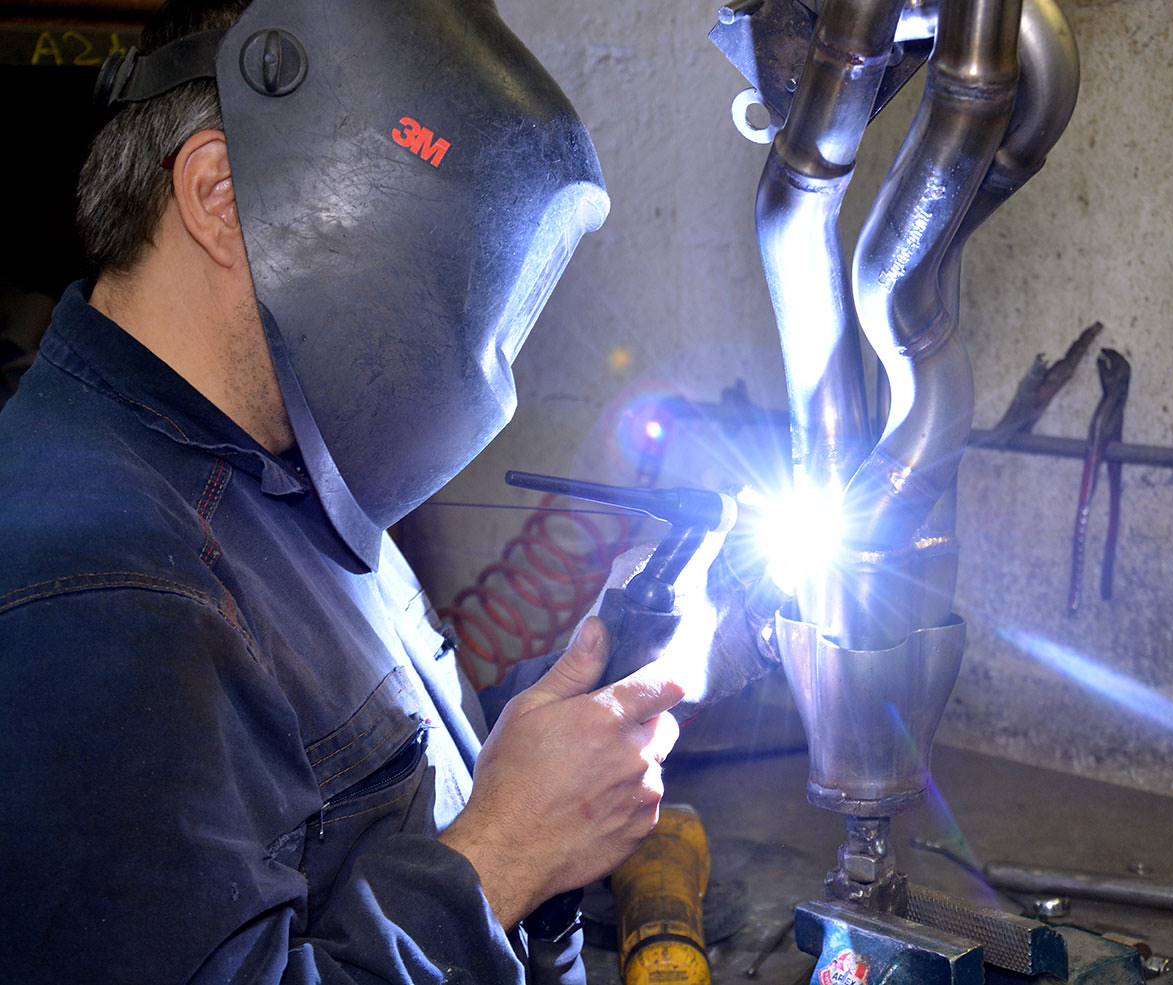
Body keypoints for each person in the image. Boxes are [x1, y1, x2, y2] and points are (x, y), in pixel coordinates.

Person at [0, 1, 776, 983]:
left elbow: (372, 794)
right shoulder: (94, 587)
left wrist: (606, 677)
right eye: (424, 254)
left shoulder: (275, 466)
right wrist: (508, 855)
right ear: (219, 194)